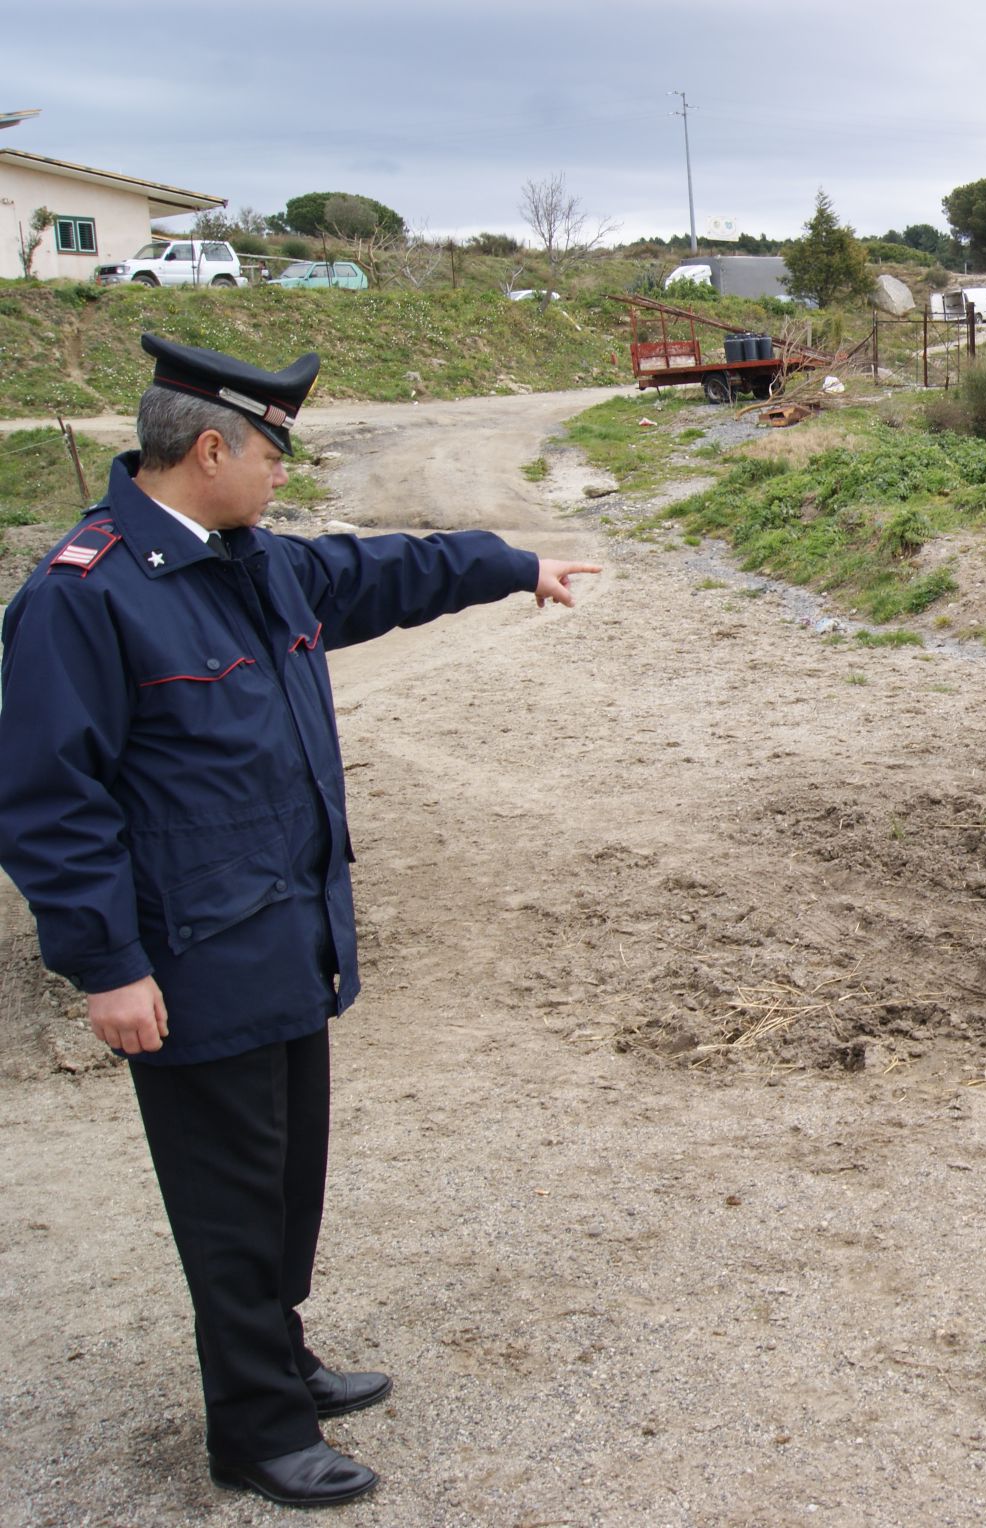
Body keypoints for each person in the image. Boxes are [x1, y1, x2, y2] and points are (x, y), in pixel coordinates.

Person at [0, 335, 601, 1508]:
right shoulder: (86, 596)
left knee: (285, 1182)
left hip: (285, 933)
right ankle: (256, 1430)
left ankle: (281, 1356)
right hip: (188, 958)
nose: (284, 471)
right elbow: (44, 801)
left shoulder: (251, 562)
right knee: (227, 1200)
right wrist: (105, 966)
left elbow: (382, 573)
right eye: (275, 450)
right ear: (211, 447)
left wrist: (511, 562)